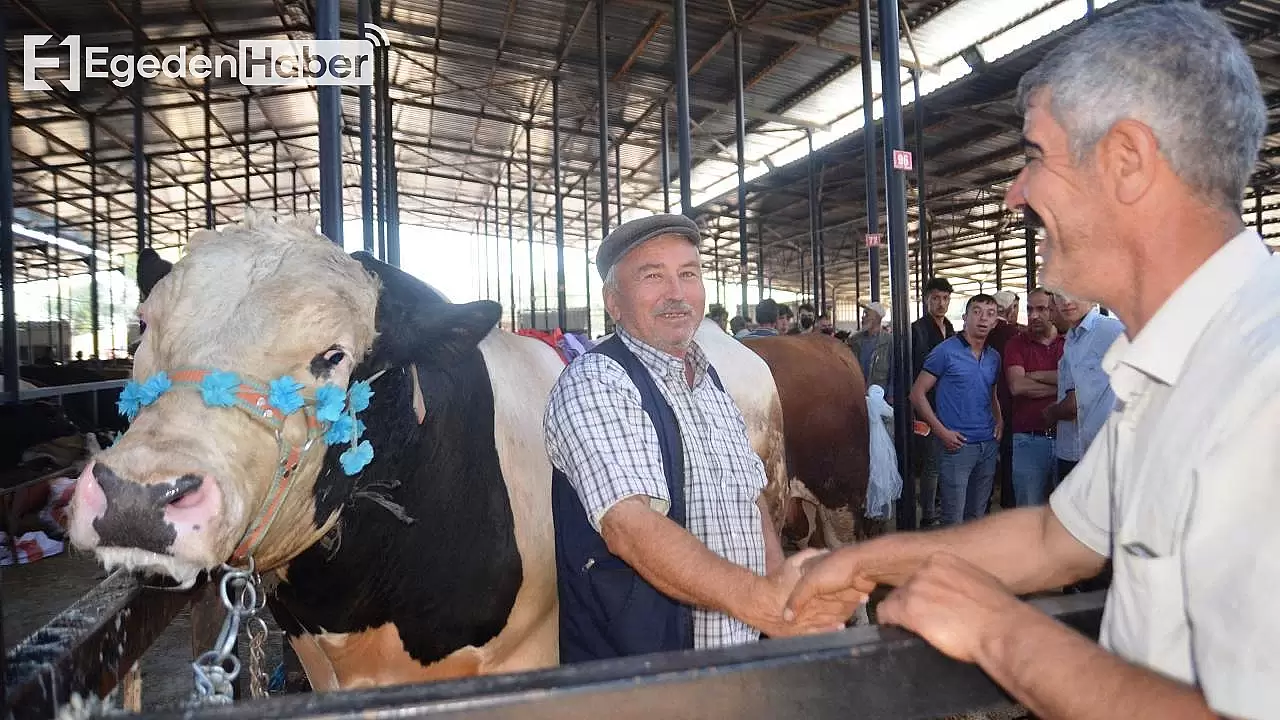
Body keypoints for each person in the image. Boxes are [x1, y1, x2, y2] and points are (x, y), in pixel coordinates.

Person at [785, 5, 1279, 718]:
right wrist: (857, 563)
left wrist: (997, 631)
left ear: (1126, 161)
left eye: (1037, 156)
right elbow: (1056, 539)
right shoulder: (1176, 367)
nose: (1017, 191)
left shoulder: (1261, 383)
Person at [544, 214, 842, 663]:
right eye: (652, 276)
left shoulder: (711, 384)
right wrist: (761, 602)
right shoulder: (598, 382)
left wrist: (780, 588)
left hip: (732, 648)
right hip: (644, 670)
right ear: (613, 302)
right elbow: (630, 528)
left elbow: (749, 497)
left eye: (688, 274)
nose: (676, 293)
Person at [909, 294, 1003, 526]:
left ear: (995, 323)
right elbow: (916, 394)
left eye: (990, 314)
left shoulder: (994, 357)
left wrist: (999, 421)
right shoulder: (945, 351)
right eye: (977, 312)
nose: (983, 318)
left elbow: (991, 393)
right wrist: (941, 432)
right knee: (953, 518)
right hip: (957, 446)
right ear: (964, 317)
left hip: (987, 445)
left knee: (977, 516)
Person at [1043, 292, 1124, 481]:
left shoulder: (1110, 330)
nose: (1066, 302)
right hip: (1084, 448)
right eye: (1059, 296)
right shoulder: (1072, 340)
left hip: (1109, 451)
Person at [1002, 288, 1064, 506]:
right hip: (1028, 440)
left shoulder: (1070, 343)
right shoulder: (1016, 343)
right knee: (1029, 515)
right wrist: (1063, 386)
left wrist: (1034, 375)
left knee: (1066, 517)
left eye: (1041, 309)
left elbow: (1080, 384)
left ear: (1054, 309)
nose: (1033, 315)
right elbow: (1018, 386)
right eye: (1029, 309)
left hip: (1066, 439)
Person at [909, 277, 955, 526]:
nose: (941, 303)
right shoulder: (917, 330)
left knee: (944, 460)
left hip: (950, 404)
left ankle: (937, 505)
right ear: (926, 299)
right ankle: (928, 513)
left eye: (945, 298)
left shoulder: (951, 328)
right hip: (926, 403)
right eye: (935, 298)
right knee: (932, 461)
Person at [850, 301, 893, 393]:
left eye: (867, 314)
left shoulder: (889, 341)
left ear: (877, 318)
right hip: (858, 393)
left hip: (880, 394)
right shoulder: (854, 340)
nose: (862, 317)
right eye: (863, 314)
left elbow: (894, 371)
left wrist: (891, 394)